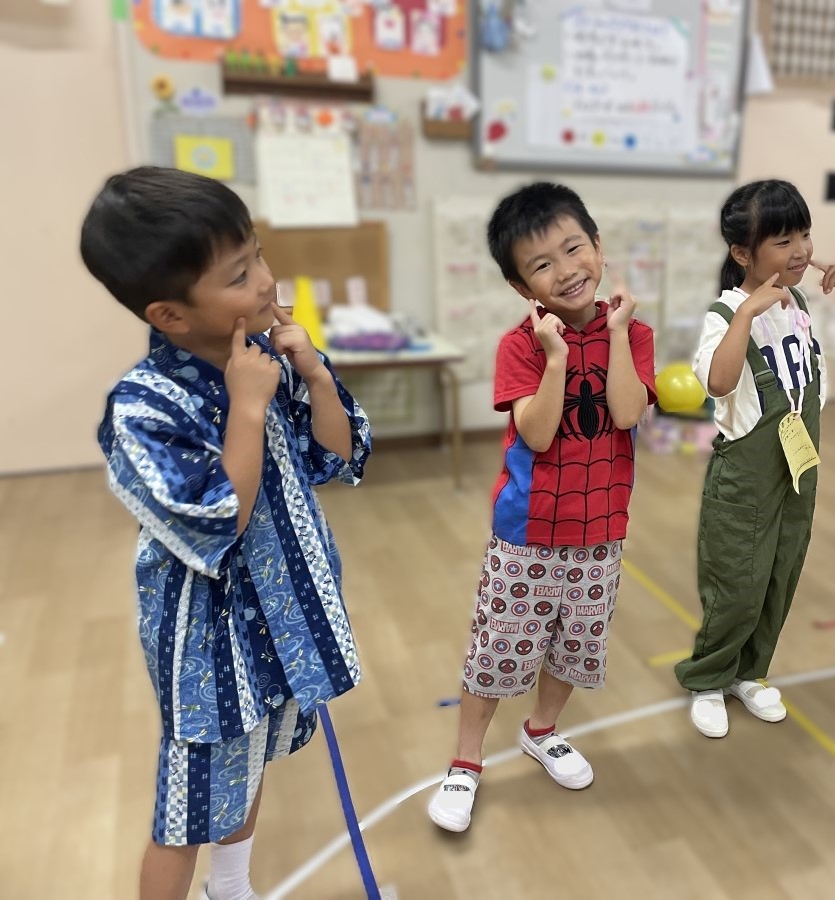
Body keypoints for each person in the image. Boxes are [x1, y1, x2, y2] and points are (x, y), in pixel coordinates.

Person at [81, 166, 372, 900]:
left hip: (285, 619)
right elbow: (217, 520)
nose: (268, 283)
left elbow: (336, 457)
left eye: (259, 254)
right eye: (241, 274)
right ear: (170, 315)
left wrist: (315, 376)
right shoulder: (143, 408)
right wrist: (246, 409)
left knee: (248, 769)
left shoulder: (265, 355)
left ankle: (232, 887)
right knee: (186, 811)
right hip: (211, 644)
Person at [427, 182, 656, 832]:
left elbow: (628, 411)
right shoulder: (520, 347)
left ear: (598, 246)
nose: (566, 270)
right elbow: (537, 433)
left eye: (573, 248)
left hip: (601, 529)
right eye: (542, 264)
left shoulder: (633, 334)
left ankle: (542, 729)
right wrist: (557, 355)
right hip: (527, 534)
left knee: (574, 647)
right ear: (521, 286)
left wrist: (612, 337)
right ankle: (466, 762)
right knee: (499, 651)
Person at [674, 179, 835, 738]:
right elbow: (718, 383)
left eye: (805, 235)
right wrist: (747, 315)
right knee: (736, 580)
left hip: (799, 467)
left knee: (779, 575)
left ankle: (750, 673)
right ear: (743, 253)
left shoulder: (803, 304)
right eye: (784, 240)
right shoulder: (725, 312)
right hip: (744, 476)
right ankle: (709, 678)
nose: (802, 251)